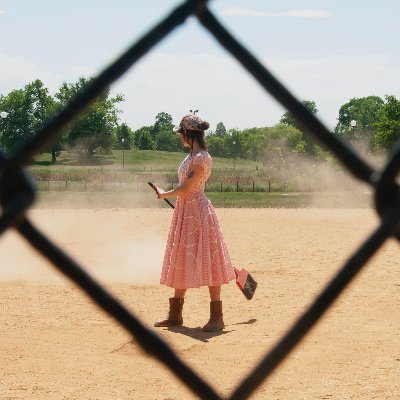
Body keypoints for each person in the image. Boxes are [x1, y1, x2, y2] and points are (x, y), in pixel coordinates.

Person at [152, 113, 236, 332]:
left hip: (197, 212)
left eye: (181, 133)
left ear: (189, 133)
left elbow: (189, 187)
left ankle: (217, 317)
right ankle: (175, 315)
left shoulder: (201, 158)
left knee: (210, 259)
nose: (180, 137)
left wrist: (164, 194)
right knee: (181, 257)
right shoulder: (190, 156)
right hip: (185, 210)